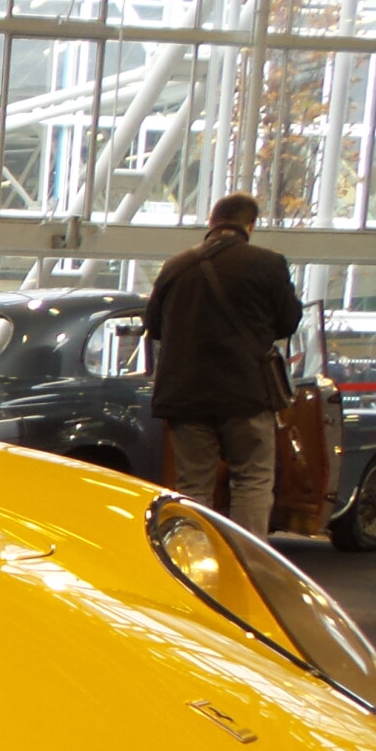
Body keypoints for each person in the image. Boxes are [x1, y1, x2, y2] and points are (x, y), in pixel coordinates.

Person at [145, 192, 304, 536]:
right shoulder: (268, 264)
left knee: (192, 485)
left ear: (212, 222)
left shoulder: (175, 266)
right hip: (246, 392)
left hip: (185, 394)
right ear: (251, 225)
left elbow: (154, 327)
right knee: (252, 478)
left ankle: (190, 555)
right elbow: (289, 322)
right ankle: (246, 558)